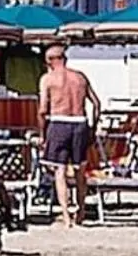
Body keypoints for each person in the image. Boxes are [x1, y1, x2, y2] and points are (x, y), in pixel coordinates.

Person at [38, 44, 102, 225]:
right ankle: (81, 213)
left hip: (59, 122)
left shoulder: (47, 79)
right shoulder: (80, 78)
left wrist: (43, 133)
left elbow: (42, 110)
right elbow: (97, 104)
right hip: (80, 123)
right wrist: (93, 127)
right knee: (80, 170)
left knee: (59, 170)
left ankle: (66, 217)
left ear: (50, 61)